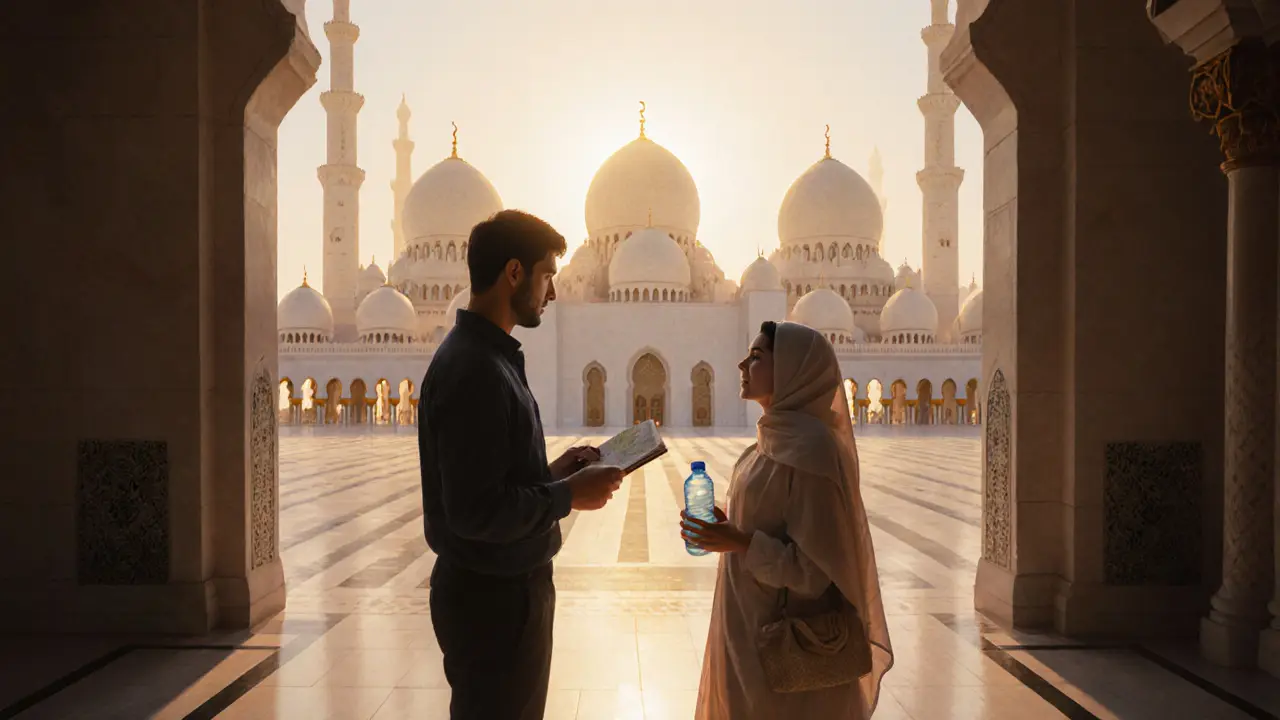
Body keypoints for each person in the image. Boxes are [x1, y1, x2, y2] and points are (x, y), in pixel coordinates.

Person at [419, 210, 625, 720]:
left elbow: (494, 479)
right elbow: (475, 511)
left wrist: (557, 471)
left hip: (503, 591)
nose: (552, 293)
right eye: (546, 275)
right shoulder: (475, 369)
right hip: (493, 600)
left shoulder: (490, 359)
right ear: (514, 273)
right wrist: (570, 495)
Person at [681, 320, 893, 719]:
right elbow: (766, 522)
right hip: (746, 631)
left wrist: (740, 542)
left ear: (794, 370)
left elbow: (815, 572)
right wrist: (726, 528)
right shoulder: (769, 440)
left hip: (785, 648)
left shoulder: (812, 450)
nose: (743, 364)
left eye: (757, 357)